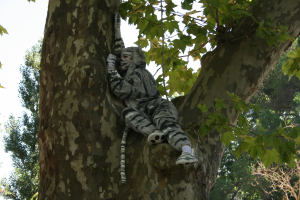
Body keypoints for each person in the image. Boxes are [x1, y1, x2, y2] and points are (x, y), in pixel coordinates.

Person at [107, 13, 198, 165]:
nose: (121, 60)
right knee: (128, 114)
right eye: (121, 58)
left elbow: (120, 89)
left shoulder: (139, 73)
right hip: (144, 111)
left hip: (157, 107)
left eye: (125, 57)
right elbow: (119, 51)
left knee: (165, 122)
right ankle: (155, 133)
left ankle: (187, 151)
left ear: (134, 60)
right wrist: (117, 30)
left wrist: (110, 69)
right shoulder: (130, 71)